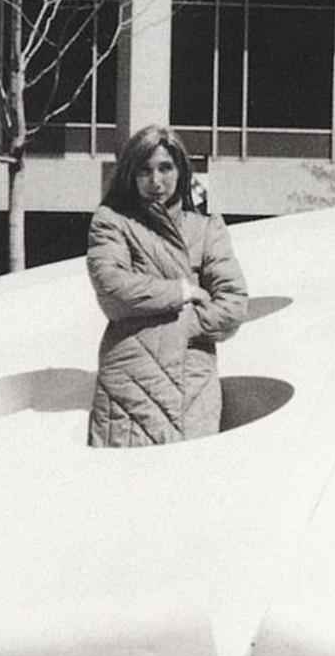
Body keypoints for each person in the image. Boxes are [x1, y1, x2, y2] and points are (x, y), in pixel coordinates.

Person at [86, 125, 247, 447]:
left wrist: (181, 325)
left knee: (188, 487)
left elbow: (233, 305)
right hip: (131, 385)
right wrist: (183, 293)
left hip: (193, 382)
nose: (156, 181)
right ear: (130, 174)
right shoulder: (112, 222)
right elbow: (112, 290)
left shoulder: (206, 229)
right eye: (144, 170)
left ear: (181, 170)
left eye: (165, 168)